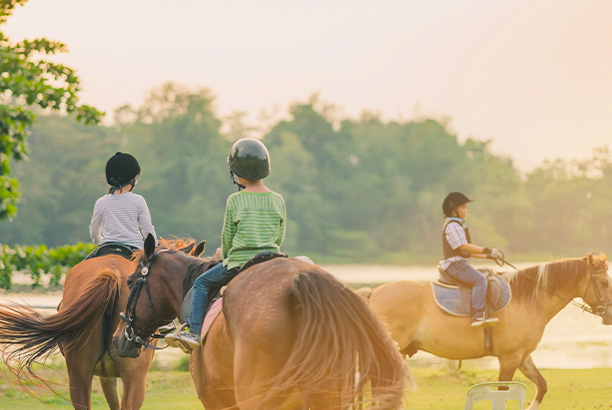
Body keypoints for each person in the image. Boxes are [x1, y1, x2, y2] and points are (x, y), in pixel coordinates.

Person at [168, 138, 286, 351]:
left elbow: (228, 238)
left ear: (236, 173)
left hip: (241, 263)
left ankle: (193, 331)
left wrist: (224, 253)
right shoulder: (277, 199)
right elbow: (279, 237)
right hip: (272, 262)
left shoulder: (235, 200)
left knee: (202, 284)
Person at [440, 192, 503, 327]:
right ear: (453, 210)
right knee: (480, 280)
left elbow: (467, 252)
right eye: (463, 207)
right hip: (456, 265)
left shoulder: (459, 226)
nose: (466, 211)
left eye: (466, 207)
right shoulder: (453, 226)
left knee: (487, 274)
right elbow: (463, 246)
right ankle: (478, 315)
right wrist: (487, 250)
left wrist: (488, 256)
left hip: (460, 263)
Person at [89, 152, 157, 249]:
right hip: (134, 248)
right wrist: (155, 246)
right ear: (132, 179)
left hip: (107, 248)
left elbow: (94, 231)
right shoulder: (139, 200)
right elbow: (148, 231)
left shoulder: (101, 202)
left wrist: (100, 242)